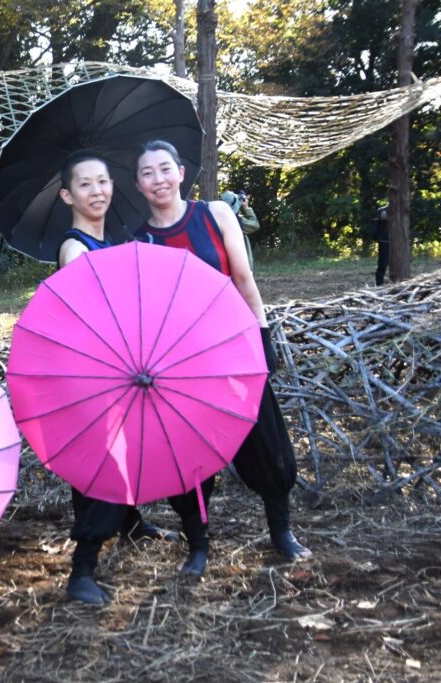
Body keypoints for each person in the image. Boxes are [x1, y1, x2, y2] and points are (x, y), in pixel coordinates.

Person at [133, 140, 313, 578]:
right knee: (187, 459)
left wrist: (261, 337)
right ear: (137, 184)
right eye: (147, 173)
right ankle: (198, 545)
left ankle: (282, 532)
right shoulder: (138, 240)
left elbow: (244, 280)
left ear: (181, 172)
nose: (158, 179)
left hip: (234, 351)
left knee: (266, 442)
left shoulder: (215, 214)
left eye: (165, 169)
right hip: (179, 367)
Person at [56, 150, 179, 605]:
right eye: (85, 184)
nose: (97, 191)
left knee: (127, 450)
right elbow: (88, 321)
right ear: (68, 195)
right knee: (100, 467)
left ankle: (131, 523)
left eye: (103, 181)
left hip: (118, 370)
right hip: (92, 377)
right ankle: (82, 571)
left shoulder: (109, 245)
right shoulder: (75, 249)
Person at [220, 190, 260, 270]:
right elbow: (255, 224)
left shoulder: (216, 219)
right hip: (239, 265)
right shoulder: (236, 222)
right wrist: (246, 208)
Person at [372, 204, 389, 286]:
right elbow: (383, 217)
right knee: (382, 264)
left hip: (397, 242)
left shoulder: (402, 210)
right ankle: (379, 284)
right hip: (385, 241)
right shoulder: (382, 210)